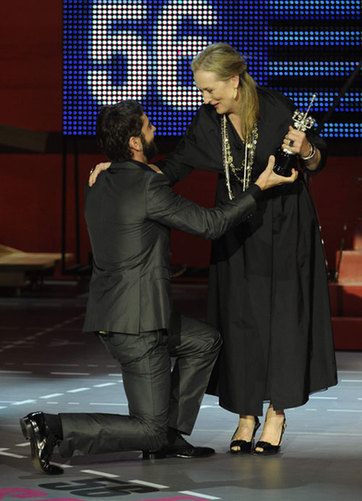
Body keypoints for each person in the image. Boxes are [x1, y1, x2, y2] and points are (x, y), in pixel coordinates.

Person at [20, 100, 296, 475]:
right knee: (146, 429)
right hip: (138, 324)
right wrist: (260, 187)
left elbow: (136, 188)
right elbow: (210, 224)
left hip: (118, 313)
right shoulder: (149, 185)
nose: (155, 132)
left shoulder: (100, 181)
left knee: (204, 341)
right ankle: (54, 428)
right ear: (135, 142)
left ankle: (170, 436)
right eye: (149, 127)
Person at [90, 43, 337, 456]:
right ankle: (246, 413)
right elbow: (172, 169)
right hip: (235, 226)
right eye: (202, 91)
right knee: (239, 320)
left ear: (234, 81)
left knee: (282, 318)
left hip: (286, 228)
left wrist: (307, 149)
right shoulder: (208, 122)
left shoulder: (277, 108)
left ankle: (276, 412)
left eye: (210, 90)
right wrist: (120, 169)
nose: (205, 99)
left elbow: (315, 160)